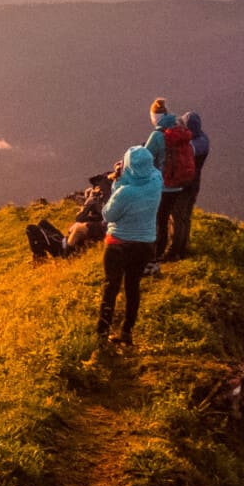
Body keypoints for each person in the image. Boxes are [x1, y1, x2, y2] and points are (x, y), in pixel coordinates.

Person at [97, 146, 162, 348]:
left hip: (119, 245)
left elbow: (108, 215)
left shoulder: (125, 192)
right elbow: (148, 173)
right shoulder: (156, 181)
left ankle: (102, 334)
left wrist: (117, 180)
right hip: (145, 245)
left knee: (111, 287)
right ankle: (127, 332)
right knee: (133, 287)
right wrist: (125, 175)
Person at [153, 110, 197, 262]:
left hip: (167, 184)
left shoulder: (164, 137)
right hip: (186, 182)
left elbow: (150, 154)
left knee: (163, 218)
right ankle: (180, 249)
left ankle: (162, 252)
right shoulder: (189, 141)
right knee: (182, 217)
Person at [172, 110, 210, 259]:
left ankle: (175, 250)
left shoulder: (190, 146)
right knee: (186, 216)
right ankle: (183, 247)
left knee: (177, 216)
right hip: (195, 184)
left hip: (183, 185)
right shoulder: (204, 140)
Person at [65, 169, 115, 253]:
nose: (96, 187)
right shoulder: (104, 197)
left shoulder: (105, 198)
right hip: (104, 227)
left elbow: (79, 217)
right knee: (75, 227)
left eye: (98, 183)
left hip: (106, 229)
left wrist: (89, 201)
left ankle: (66, 253)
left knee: (77, 228)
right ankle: (74, 250)